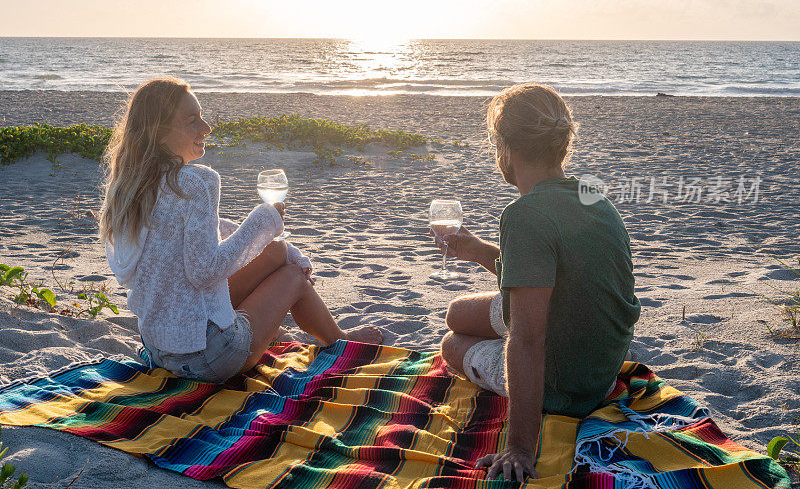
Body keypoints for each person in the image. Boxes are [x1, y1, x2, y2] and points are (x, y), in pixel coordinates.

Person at [100, 77, 381, 384]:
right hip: (208, 358)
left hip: (158, 350)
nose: (206, 128)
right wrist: (264, 219)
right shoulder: (196, 182)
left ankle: (275, 320)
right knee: (292, 278)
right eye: (192, 121)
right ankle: (340, 342)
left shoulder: (131, 184)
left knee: (277, 253)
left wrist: (278, 243)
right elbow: (205, 271)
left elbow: (185, 235)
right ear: (158, 132)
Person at [434, 83, 639, 482]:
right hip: (600, 359)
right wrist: (478, 250)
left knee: (452, 344)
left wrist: (520, 448)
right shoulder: (591, 193)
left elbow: (528, 338)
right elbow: (563, 269)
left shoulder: (524, 213)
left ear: (505, 149)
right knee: (457, 311)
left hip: (569, 385)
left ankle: (529, 409)